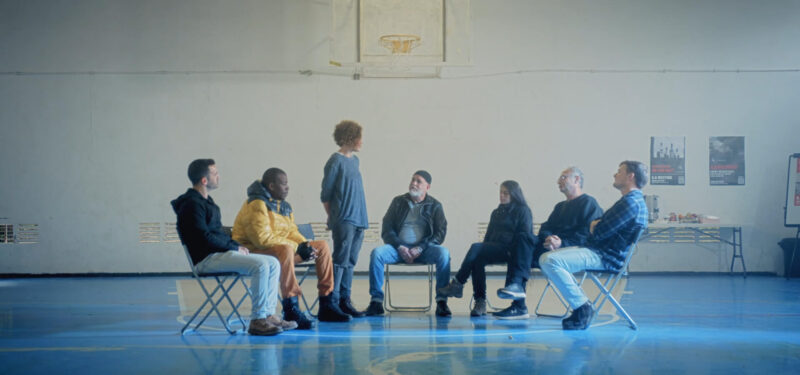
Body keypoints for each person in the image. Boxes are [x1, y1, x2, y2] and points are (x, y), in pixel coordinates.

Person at [171, 159, 296, 336]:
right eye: (214, 173)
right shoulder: (192, 205)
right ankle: (257, 320)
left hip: (219, 255)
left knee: (273, 262)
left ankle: (268, 315)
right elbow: (204, 237)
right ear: (204, 180)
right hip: (206, 259)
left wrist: (235, 246)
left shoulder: (208, 203)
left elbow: (218, 234)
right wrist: (234, 248)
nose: (218, 176)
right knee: (260, 265)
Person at [232, 168, 353, 329]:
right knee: (286, 250)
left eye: (287, 183)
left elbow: (292, 231)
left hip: (280, 252)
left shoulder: (284, 206)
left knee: (321, 246)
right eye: (283, 184)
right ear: (271, 186)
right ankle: (291, 307)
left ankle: (327, 303)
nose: (287, 187)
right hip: (254, 253)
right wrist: (295, 247)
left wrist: (305, 245)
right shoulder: (256, 204)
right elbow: (261, 239)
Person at [539, 161, 648, 330]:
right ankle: (581, 306)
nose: (615, 174)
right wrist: (596, 225)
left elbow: (598, 231)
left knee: (549, 260)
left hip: (604, 256)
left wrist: (596, 226)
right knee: (548, 257)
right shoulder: (633, 201)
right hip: (603, 253)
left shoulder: (630, 203)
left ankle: (582, 307)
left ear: (630, 176)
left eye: (619, 172)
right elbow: (598, 226)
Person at [493, 167, 604, 319]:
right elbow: (546, 227)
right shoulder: (560, 207)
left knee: (521, 251)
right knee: (522, 239)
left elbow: (587, 235)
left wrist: (561, 243)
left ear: (577, 180)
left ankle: (517, 299)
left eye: (563, 177)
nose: (559, 181)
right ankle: (517, 299)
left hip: (571, 251)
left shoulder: (589, 204)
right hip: (549, 248)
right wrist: (548, 238)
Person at [436, 181, 536, 317]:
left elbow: (524, 235)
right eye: (500, 192)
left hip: (513, 250)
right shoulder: (496, 212)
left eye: (505, 193)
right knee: (477, 258)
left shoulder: (523, 211)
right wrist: (485, 248)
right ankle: (480, 302)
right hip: (496, 248)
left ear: (514, 194)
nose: (502, 196)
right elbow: (488, 236)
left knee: (475, 248)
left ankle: (458, 283)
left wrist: (493, 244)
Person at [365, 170, 452, 317]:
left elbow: (440, 234)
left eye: (419, 181)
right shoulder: (398, 202)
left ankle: (442, 302)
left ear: (427, 187)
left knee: (444, 253)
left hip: (424, 250)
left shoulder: (435, 206)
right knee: (377, 254)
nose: (414, 183)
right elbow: (387, 228)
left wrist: (421, 247)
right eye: (412, 180)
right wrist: (400, 246)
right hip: (398, 249)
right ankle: (376, 301)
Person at [321, 120, 369, 317]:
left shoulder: (355, 161)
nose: (361, 142)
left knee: (350, 260)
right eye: (359, 138)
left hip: (359, 218)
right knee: (340, 260)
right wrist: (334, 217)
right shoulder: (335, 161)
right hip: (344, 219)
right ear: (350, 138)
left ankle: (344, 300)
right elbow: (326, 194)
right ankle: (331, 301)